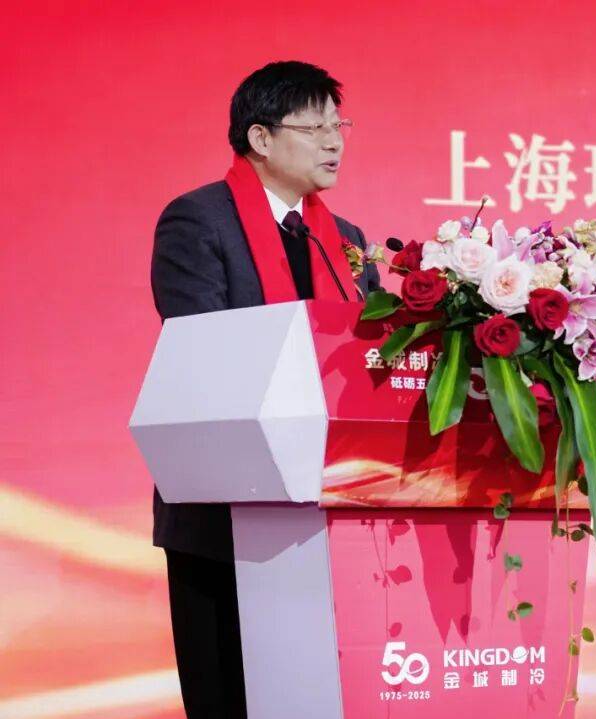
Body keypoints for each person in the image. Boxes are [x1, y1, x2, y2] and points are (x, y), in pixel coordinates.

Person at [149, 60, 380, 718]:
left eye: (340, 127)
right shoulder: (198, 222)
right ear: (260, 137)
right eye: (315, 128)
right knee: (229, 694)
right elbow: (203, 348)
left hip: (328, 505)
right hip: (223, 505)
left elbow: (371, 360)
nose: (334, 142)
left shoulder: (347, 241)